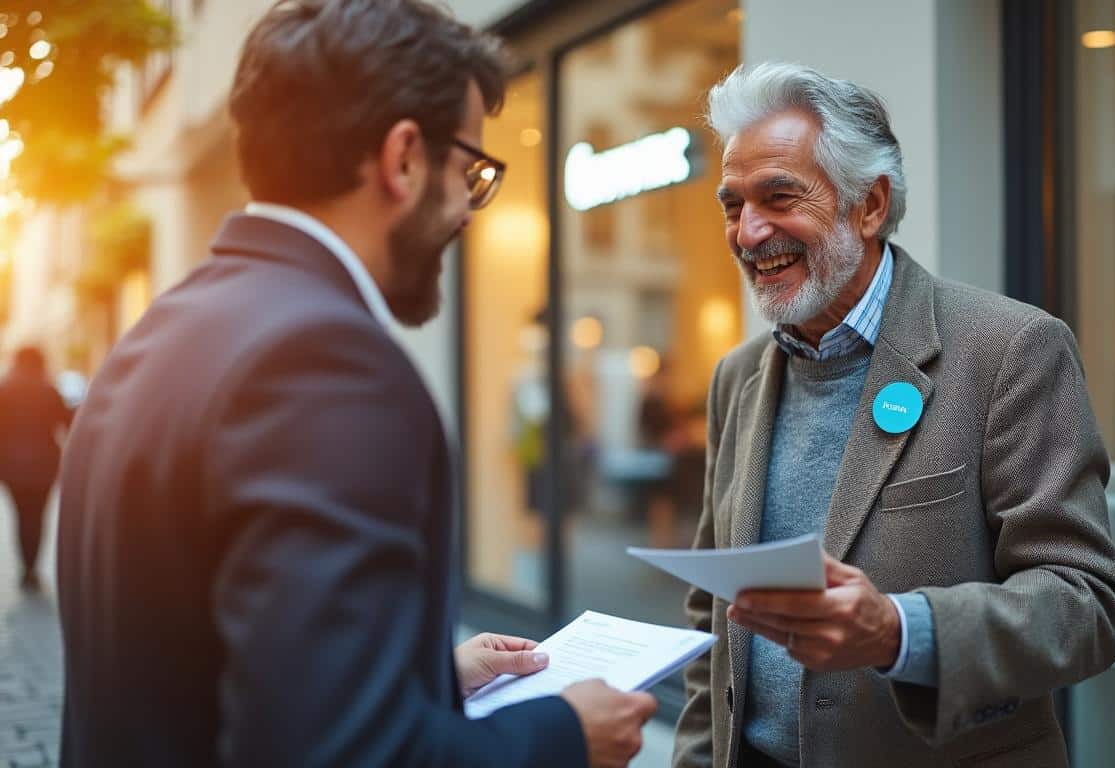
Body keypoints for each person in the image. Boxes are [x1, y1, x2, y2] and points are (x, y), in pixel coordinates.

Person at [57, 2, 654, 766]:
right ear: (403, 158)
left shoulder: (162, 330)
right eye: (469, 172)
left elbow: (218, 669)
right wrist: (565, 734)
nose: (469, 213)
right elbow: (344, 753)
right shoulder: (326, 363)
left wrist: (425, 679)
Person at [673, 63, 1115, 768]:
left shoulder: (1010, 349)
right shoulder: (737, 378)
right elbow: (710, 616)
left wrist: (900, 631)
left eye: (779, 196)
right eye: (733, 206)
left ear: (870, 206)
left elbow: (1089, 603)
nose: (749, 232)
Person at [0, 346, 71, 590]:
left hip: (11, 467)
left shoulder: (5, 389)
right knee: (38, 517)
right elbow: (67, 422)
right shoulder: (49, 389)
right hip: (44, 466)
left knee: (21, 516)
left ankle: (26, 567)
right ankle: (32, 567)